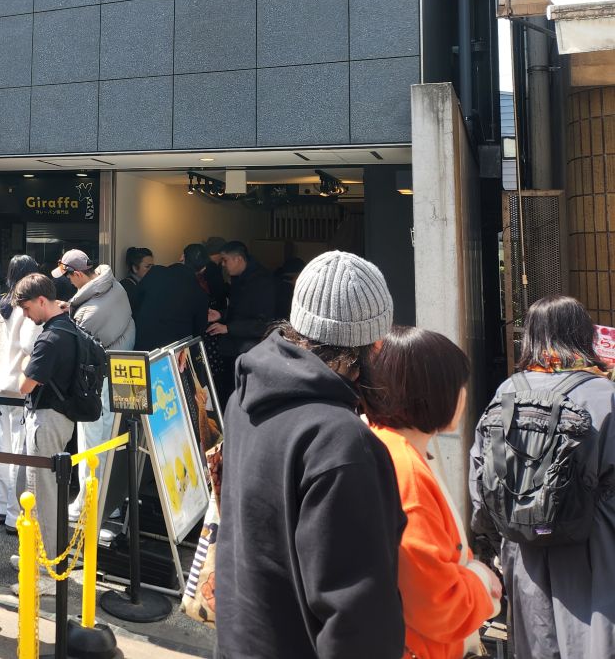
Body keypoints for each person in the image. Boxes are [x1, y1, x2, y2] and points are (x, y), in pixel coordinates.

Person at [216, 250, 404, 658]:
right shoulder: (341, 440)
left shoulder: (244, 399)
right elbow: (357, 616)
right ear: (374, 344)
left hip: (239, 641)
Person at [470, 295, 615, 657]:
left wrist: (499, 540)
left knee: (536, 643)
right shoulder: (605, 394)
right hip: (595, 551)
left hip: (524, 552)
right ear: (583, 334)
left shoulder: (507, 393)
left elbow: (481, 482)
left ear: (531, 337)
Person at [367, 326, 500, 659]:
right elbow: (436, 604)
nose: (463, 395)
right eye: (458, 385)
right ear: (434, 392)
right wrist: (483, 582)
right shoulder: (406, 471)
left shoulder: (382, 444)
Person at [14, 273, 90, 590]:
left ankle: (47, 572)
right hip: (61, 418)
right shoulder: (70, 327)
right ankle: (38, 556)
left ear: (42, 301)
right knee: (38, 490)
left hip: (47, 419)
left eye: (27, 308)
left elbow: (24, 385)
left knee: (42, 494)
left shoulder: (49, 339)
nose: (25, 315)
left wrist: (24, 363)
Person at [57, 250, 135, 520]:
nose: (68, 283)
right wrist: (70, 306)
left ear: (78, 274)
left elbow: (76, 344)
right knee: (111, 439)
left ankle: (87, 504)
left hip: (96, 379)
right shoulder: (115, 286)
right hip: (118, 372)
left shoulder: (88, 313)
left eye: (69, 277)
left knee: (91, 441)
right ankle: (110, 502)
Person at [0, 255, 41, 529]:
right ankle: (14, 514)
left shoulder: (2, 304)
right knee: (18, 450)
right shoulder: (25, 308)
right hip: (19, 387)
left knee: (1, 446)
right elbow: (31, 347)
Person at [132, 244, 212, 352]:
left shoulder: (156, 272)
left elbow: (135, 303)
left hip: (142, 348)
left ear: (182, 257)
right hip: (173, 355)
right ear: (203, 269)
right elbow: (198, 333)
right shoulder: (201, 295)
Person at [207, 240, 275, 365]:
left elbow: (264, 324)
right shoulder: (238, 278)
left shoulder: (262, 282)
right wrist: (221, 314)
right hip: (235, 346)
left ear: (238, 259)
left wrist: (228, 328)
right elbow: (241, 310)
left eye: (225, 260)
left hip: (252, 351)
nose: (223, 264)